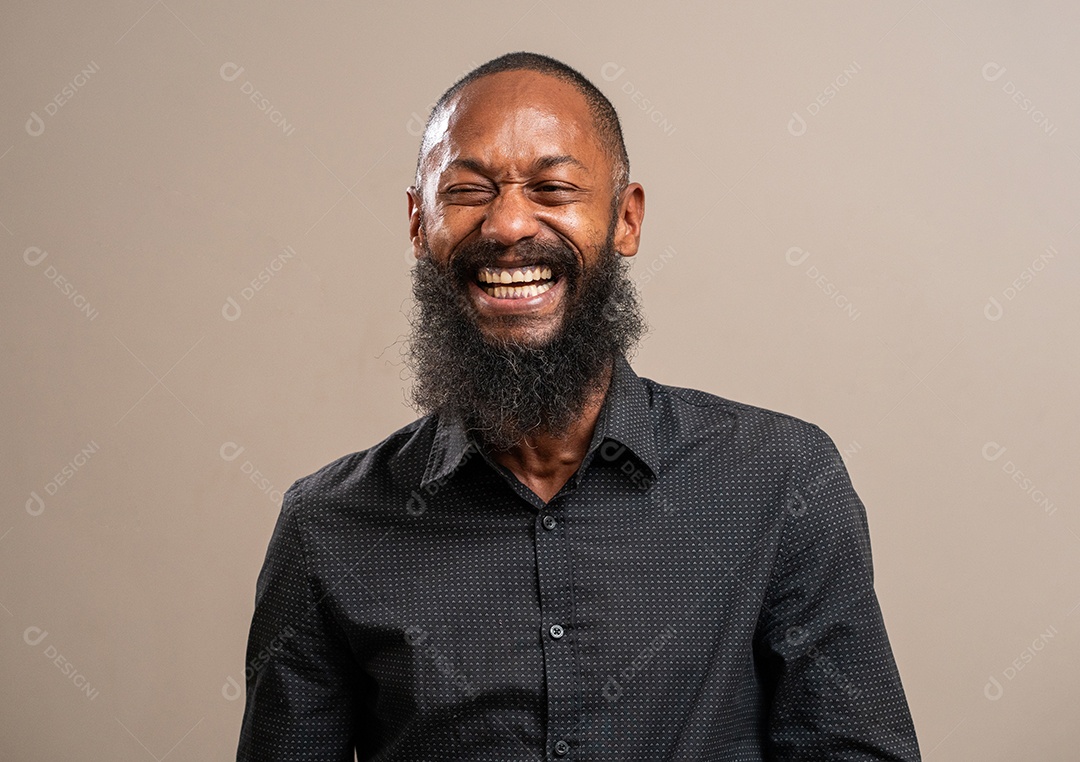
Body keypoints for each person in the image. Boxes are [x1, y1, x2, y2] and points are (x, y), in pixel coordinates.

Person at [236, 51, 921, 761]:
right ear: (418, 224)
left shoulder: (781, 480)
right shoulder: (326, 527)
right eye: (468, 192)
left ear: (625, 221)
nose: (506, 226)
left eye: (553, 188)